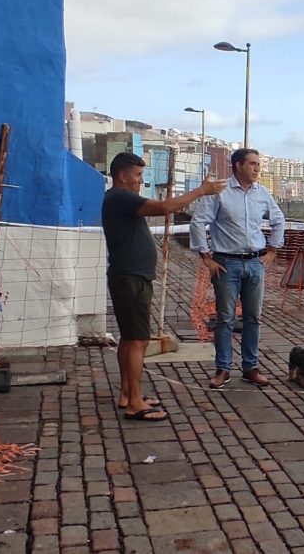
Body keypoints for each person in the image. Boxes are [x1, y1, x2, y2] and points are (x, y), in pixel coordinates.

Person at [103, 152, 227, 421]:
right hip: (131, 278)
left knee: (129, 338)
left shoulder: (118, 200)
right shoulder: (121, 197)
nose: (140, 180)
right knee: (138, 340)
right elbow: (165, 207)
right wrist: (201, 191)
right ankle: (135, 402)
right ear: (123, 176)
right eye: (137, 175)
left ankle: (127, 393)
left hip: (129, 276)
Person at [190, 148, 285, 389]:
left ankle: (250, 367)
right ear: (238, 165)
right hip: (226, 264)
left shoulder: (262, 193)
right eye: (252, 164)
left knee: (253, 317)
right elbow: (198, 222)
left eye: (258, 164)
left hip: (255, 263)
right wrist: (206, 257)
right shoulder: (219, 192)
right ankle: (223, 368)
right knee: (225, 318)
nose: (257, 168)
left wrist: (273, 250)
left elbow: (278, 219)